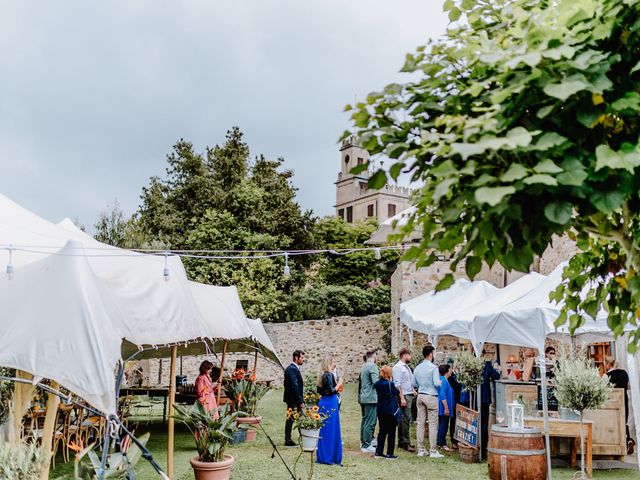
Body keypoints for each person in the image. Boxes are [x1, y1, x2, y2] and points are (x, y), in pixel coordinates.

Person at [412, 345, 443, 458]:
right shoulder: (433, 368)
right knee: (433, 424)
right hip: (431, 396)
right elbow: (436, 383)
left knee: (420, 423)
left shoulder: (417, 367)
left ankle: (420, 450)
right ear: (430, 354)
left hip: (420, 396)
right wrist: (440, 382)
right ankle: (433, 451)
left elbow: (414, 384)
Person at [316, 354, 343, 465]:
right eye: (333, 362)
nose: (335, 364)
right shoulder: (328, 374)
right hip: (330, 402)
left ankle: (325, 455)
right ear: (328, 363)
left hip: (324, 402)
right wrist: (339, 384)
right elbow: (332, 390)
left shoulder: (322, 375)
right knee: (331, 430)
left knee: (325, 430)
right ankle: (329, 456)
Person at [605, 356, 635, 454]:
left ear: (609, 364)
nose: (605, 366)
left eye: (606, 364)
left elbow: (601, 387)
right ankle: (628, 440)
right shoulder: (625, 374)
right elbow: (629, 386)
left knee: (613, 423)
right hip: (624, 400)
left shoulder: (607, 375)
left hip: (611, 401)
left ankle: (615, 445)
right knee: (624, 421)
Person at [392, 348, 416, 452]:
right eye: (409, 355)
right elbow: (397, 384)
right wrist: (402, 397)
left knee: (404, 419)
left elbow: (407, 381)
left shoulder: (406, 367)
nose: (410, 357)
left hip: (408, 393)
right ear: (404, 355)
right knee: (406, 418)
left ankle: (402, 441)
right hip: (404, 396)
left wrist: (413, 390)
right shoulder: (398, 367)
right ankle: (405, 442)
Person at [373, 365, 400, 459]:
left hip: (380, 409)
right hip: (390, 410)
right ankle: (390, 453)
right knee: (391, 431)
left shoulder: (377, 384)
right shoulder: (390, 384)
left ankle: (379, 452)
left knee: (382, 431)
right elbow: (396, 393)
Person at [283, 350, 305, 447]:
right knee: (292, 419)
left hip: (293, 399)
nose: (303, 360)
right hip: (293, 400)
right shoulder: (292, 369)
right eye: (302, 358)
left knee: (294, 418)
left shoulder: (293, 369)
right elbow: (294, 386)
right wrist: (300, 401)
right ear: (296, 358)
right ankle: (288, 440)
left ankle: (302, 437)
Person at [480, 352, 500, 458]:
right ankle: (482, 451)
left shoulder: (471, 363)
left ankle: (477, 447)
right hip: (483, 398)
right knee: (483, 425)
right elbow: (496, 376)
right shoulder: (486, 364)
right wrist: (496, 369)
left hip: (473, 399)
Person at [359, 351, 379, 453]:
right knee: (370, 422)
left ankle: (363, 441)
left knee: (365, 420)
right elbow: (376, 382)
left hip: (364, 397)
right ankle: (366, 444)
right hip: (371, 398)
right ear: (374, 356)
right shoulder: (372, 366)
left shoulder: (363, 366)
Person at [437, 364, 454, 451]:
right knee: (444, 425)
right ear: (447, 371)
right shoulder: (444, 381)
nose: (451, 371)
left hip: (442, 406)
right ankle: (441, 444)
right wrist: (446, 408)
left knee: (442, 425)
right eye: (450, 369)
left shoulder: (442, 380)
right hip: (444, 407)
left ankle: (441, 443)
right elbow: (443, 395)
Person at [448, 365, 462, 449]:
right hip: (454, 401)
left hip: (462, 400)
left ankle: (460, 439)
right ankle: (454, 440)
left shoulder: (463, 375)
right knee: (453, 421)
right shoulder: (451, 377)